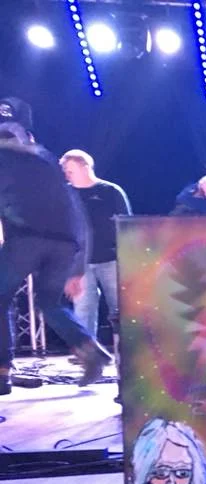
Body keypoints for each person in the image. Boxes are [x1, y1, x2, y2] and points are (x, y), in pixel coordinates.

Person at [0, 97, 111, 394]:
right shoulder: (46, 159)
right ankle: (88, 347)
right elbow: (75, 209)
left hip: (27, 238)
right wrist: (77, 265)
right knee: (50, 303)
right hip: (65, 242)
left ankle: (2, 372)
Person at [60, 149, 131, 362]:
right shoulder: (65, 194)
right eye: (65, 170)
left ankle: (127, 352)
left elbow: (126, 224)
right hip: (79, 263)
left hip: (112, 259)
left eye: (70, 169)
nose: (66, 174)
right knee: (83, 309)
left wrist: (126, 255)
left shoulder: (111, 191)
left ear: (85, 167)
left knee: (121, 309)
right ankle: (88, 355)